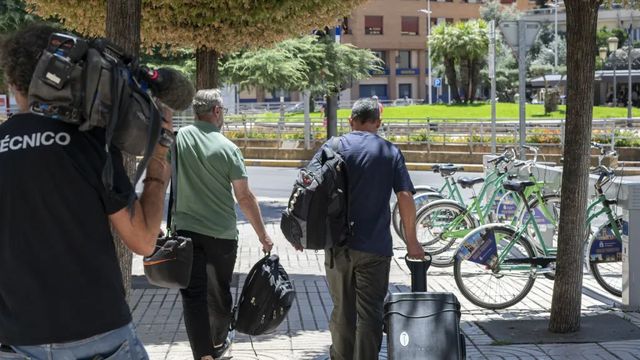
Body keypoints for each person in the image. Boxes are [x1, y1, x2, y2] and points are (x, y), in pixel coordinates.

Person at [0, 24, 173, 358]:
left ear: (15, 82)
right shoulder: (88, 142)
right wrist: (158, 161)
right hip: (98, 334)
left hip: (18, 339)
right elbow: (144, 240)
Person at [301, 98, 425, 360]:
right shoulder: (390, 151)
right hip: (376, 247)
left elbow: (308, 189)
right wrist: (412, 242)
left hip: (337, 246)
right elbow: (404, 196)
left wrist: (301, 232)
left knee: (342, 311)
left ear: (351, 121)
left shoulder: (333, 147)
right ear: (378, 123)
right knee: (370, 314)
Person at [174, 89, 274, 360]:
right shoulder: (228, 148)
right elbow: (244, 197)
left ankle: (203, 354)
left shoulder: (178, 139)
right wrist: (263, 236)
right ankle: (218, 343)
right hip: (221, 235)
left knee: (193, 296)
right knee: (219, 294)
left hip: (185, 233)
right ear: (216, 111)